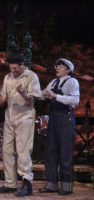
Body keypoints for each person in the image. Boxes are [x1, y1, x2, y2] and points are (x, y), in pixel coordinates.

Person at [0, 53, 41, 197]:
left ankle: (26, 183)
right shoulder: (8, 77)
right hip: (10, 117)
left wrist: (21, 91)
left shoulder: (31, 77)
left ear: (22, 65)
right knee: (7, 151)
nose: (13, 71)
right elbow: (3, 101)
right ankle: (10, 183)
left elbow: (32, 100)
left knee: (23, 150)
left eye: (15, 69)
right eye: (11, 68)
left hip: (25, 117)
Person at [39, 58, 79, 195]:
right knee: (50, 152)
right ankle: (52, 184)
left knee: (65, 153)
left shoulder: (72, 82)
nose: (57, 68)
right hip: (54, 119)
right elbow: (43, 95)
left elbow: (74, 100)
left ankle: (66, 186)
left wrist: (55, 96)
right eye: (56, 66)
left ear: (68, 70)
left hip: (65, 119)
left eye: (60, 66)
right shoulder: (54, 81)